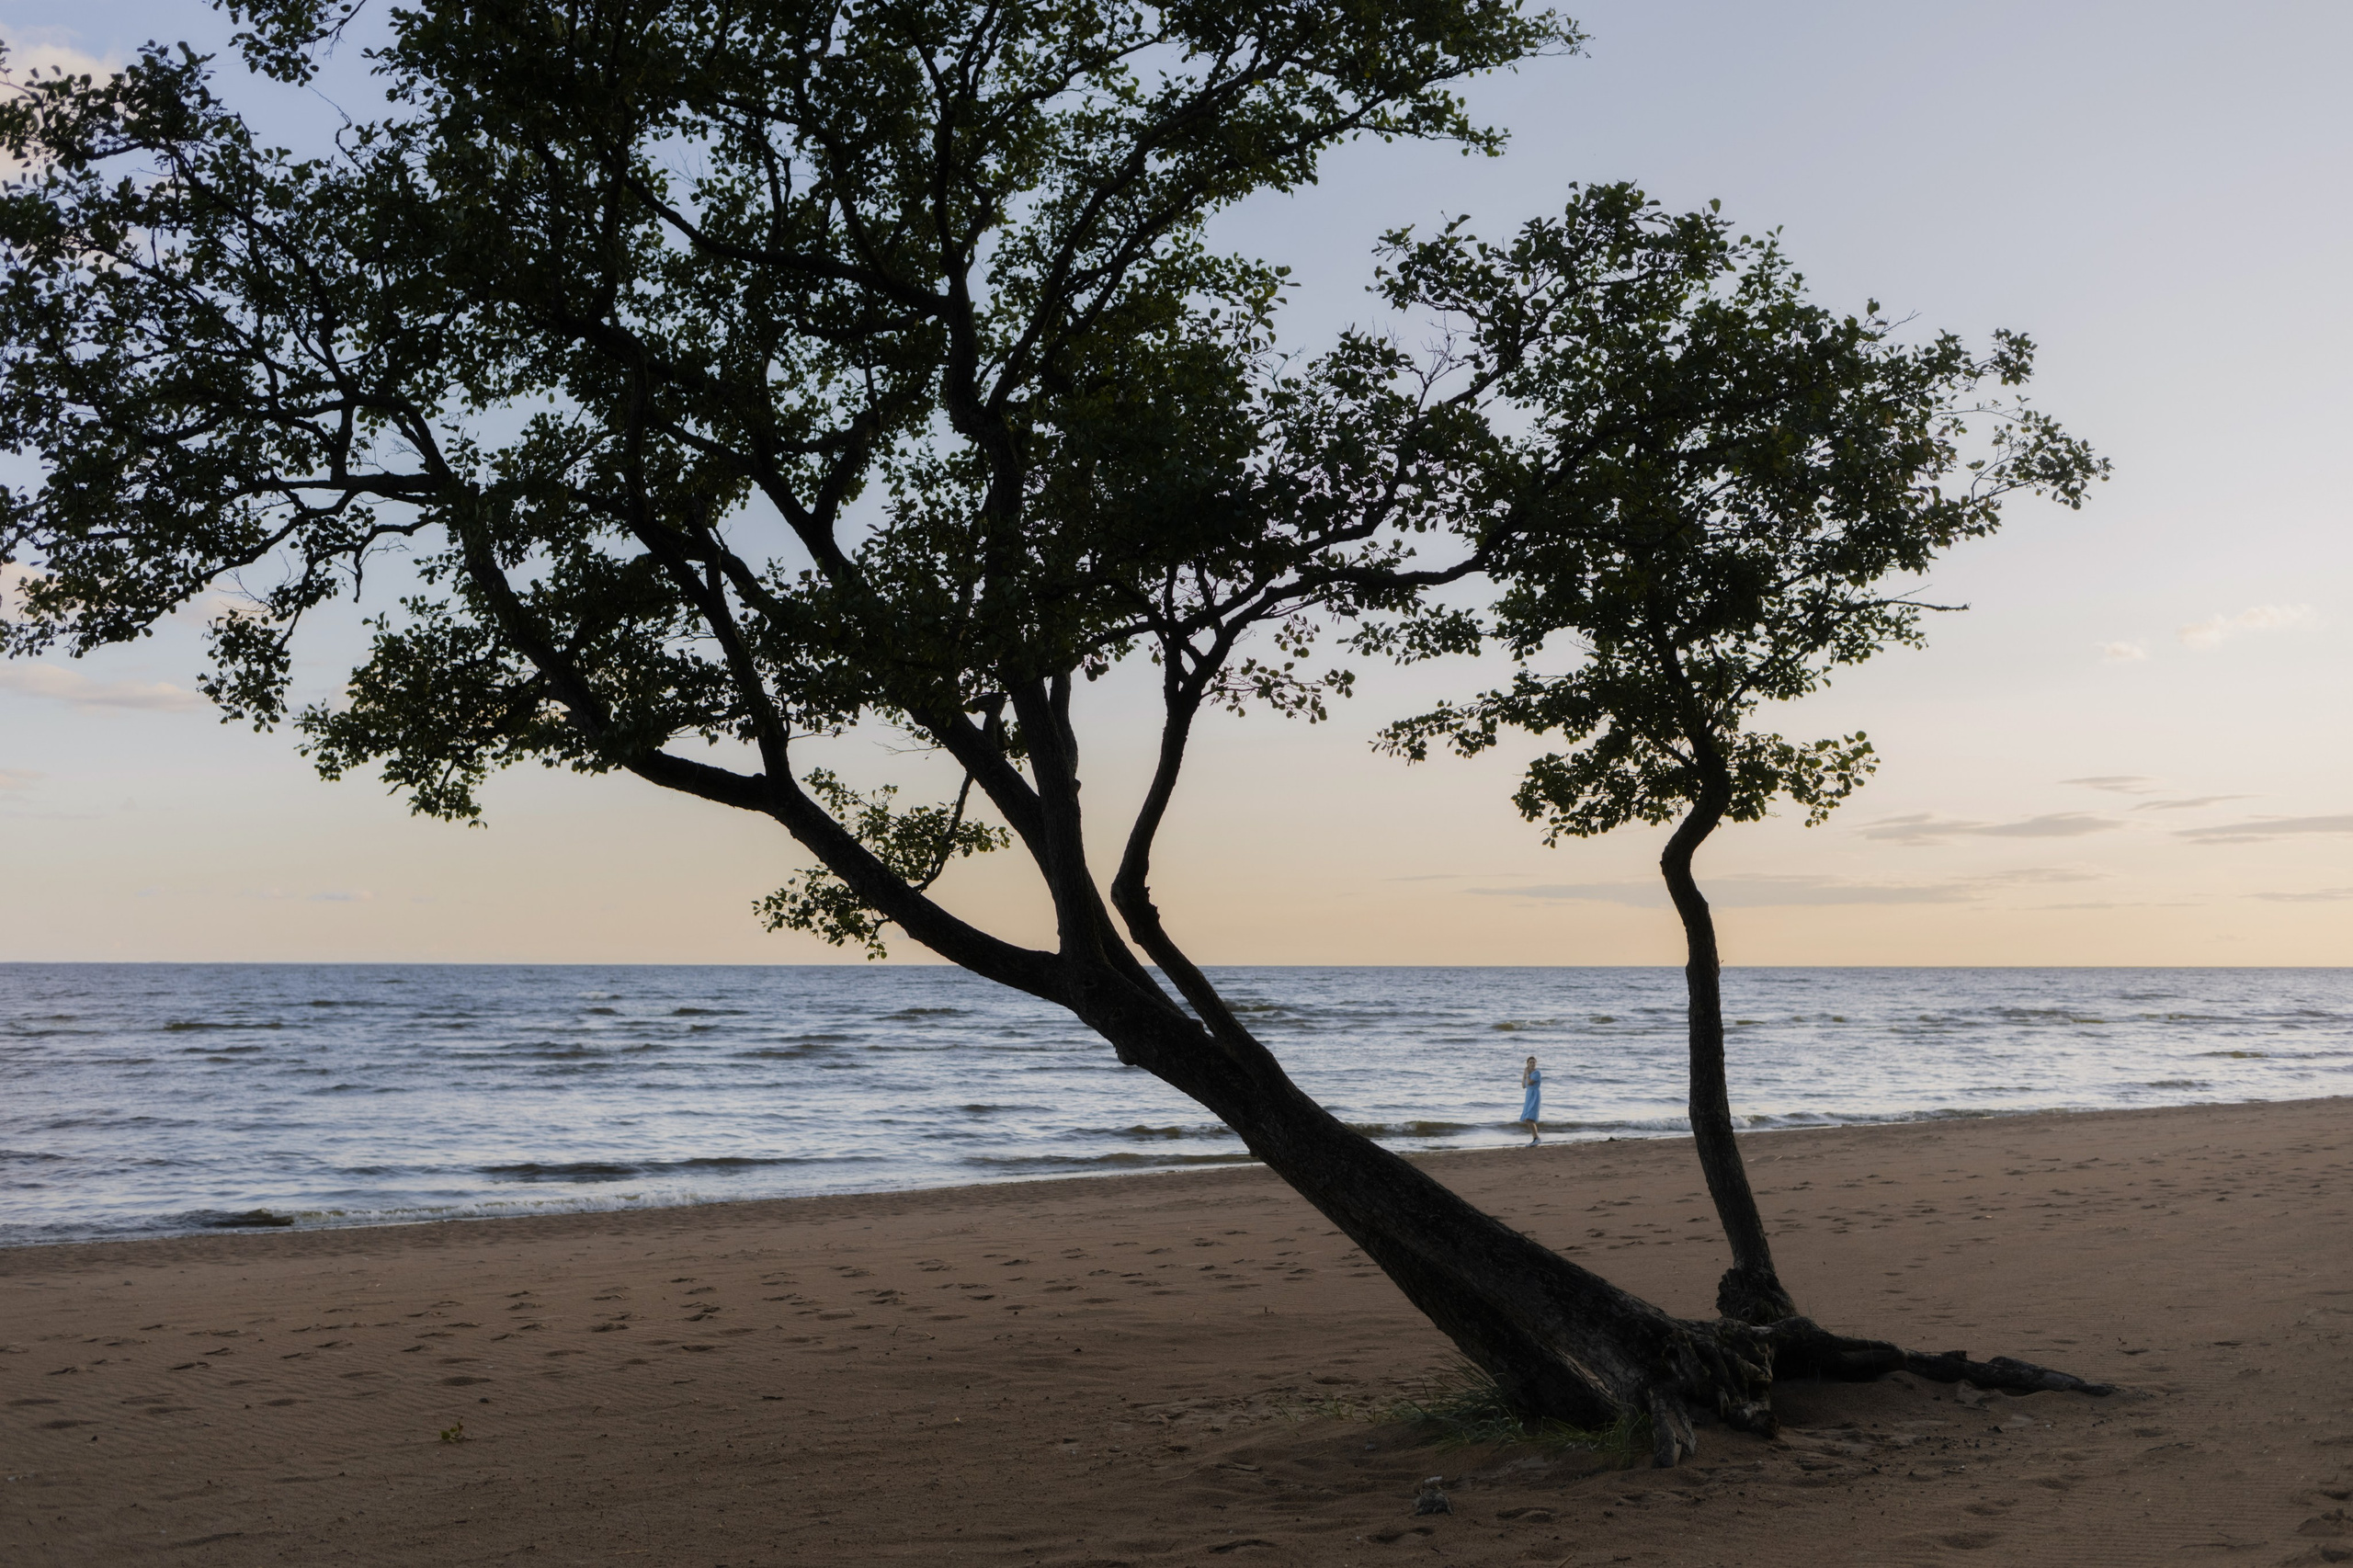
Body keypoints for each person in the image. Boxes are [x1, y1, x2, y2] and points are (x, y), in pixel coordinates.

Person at [1518, 1055, 1541, 1146]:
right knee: (1527, 1118)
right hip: (1528, 1095)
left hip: (1534, 1095)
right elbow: (1524, 1086)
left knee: (1530, 1117)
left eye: (1533, 1062)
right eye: (1530, 1062)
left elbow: (1529, 1082)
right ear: (1527, 1064)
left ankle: (1536, 1138)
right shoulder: (1528, 1074)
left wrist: (1527, 1074)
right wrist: (1524, 1074)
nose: (1532, 1064)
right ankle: (1536, 1138)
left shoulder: (1537, 1073)